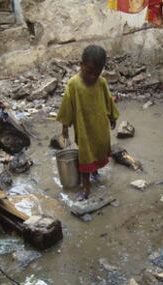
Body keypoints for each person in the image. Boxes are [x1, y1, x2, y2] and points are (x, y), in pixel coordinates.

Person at [56, 45, 119, 200]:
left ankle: (95, 171)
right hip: (84, 129)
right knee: (85, 157)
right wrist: (65, 126)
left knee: (98, 150)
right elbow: (67, 105)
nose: (92, 76)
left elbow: (108, 101)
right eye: (89, 71)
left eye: (96, 73)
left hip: (99, 127)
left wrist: (112, 116)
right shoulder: (74, 84)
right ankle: (86, 187)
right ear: (81, 64)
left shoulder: (101, 82)